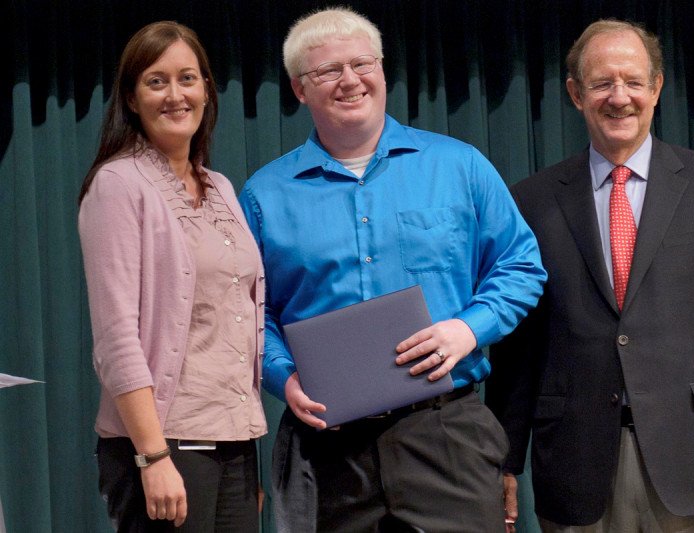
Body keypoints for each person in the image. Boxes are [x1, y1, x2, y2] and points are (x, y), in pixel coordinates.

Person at [238, 7, 546, 532]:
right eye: (328, 71)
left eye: (362, 64)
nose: (350, 80)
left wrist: (467, 329)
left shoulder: (459, 165)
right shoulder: (264, 195)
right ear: (299, 89)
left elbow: (521, 266)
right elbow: (247, 312)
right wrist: (281, 376)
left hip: (446, 431)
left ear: (382, 70)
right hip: (327, 447)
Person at [485, 19, 694, 533]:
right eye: (602, 83)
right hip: (576, 467)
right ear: (577, 94)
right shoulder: (531, 200)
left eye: (634, 81)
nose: (619, 97)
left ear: (657, 89)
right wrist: (504, 461)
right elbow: (518, 349)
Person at [78, 21, 266, 532]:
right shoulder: (117, 185)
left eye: (188, 78)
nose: (176, 94)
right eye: (156, 81)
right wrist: (152, 457)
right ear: (132, 99)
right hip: (166, 444)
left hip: (234, 439)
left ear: (207, 88)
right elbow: (116, 338)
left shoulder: (221, 186)